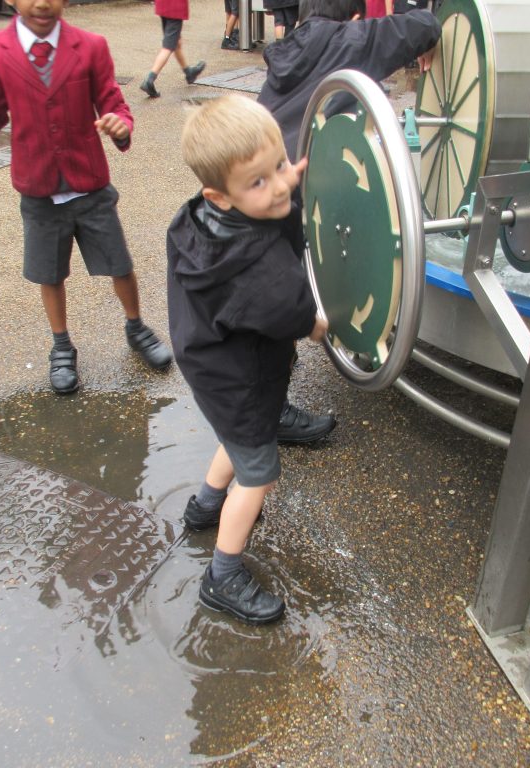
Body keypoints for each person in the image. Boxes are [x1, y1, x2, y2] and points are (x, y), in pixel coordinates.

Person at [0, 0, 172, 395]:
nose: (42, 2)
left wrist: (120, 126)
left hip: (90, 183)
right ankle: (61, 345)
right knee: (49, 273)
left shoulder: (91, 45)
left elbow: (113, 102)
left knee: (119, 263)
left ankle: (136, 326)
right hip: (38, 187)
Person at [167, 94, 328, 624]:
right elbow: (293, 311)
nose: (280, 186)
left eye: (280, 166)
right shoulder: (257, 269)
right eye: (259, 182)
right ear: (220, 194)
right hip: (241, 376)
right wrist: (315, 324)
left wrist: (279, 183)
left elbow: (274, 202)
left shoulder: (198, 219)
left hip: (210, 362)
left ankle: (205, 506)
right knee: (258, 475)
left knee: (237, 437)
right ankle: (224, 575)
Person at [258, 0, 441, 161]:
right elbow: (426, 24)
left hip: (261, 172)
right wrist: (426, 44)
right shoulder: (352, 40)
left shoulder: (284, 52)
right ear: (355, 19)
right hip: (307, 182)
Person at [140, 0, 206, 97]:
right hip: (175, 7)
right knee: (168, 47)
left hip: (163, 4)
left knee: (176, 41)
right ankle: (149, 79)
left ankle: (189, 73)